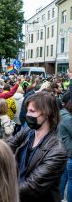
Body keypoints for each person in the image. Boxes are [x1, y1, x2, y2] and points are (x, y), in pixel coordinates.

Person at [8, 91, 67, 202]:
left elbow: (31, 187)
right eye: (27, 111)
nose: (27, 115)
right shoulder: (28, 131)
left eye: (32, 111)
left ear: (46, 114)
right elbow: (7, 147)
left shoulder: (57, 151)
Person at [58, 70, 72, 202]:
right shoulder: (67, 118)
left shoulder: (63, 114)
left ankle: (60, 197)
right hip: (68, 153)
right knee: (68, 181)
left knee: (65, 179)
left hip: (65, 152)